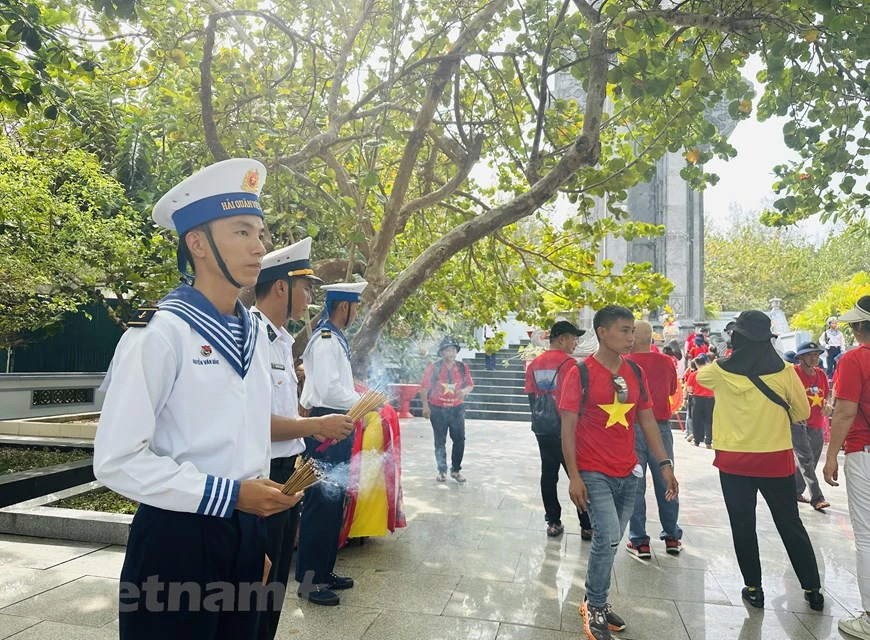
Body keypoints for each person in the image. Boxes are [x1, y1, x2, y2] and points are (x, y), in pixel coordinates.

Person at [94, 159, 302, 639]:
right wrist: (230, 498)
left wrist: (251, 540)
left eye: (261, 233)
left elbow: (246, 440)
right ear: (198, 244)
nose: (260, 248)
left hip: (244, 534)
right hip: (178, 538)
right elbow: (115, 460)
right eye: (242, 232)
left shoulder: (251, 332)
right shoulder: (160, 335)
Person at [250, 239, 355, 637]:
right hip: (264, 470)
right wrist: (314, 426)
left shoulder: (279, 338)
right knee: (258, 589)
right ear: (281, 287)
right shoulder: (255, 336)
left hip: (285, 466)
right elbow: (256, 421)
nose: (312, 297)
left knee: (274, 581)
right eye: (306, 287)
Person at [559, 305, 678, 640]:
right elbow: (567, 428)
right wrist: (573, 476)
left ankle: (594, 598)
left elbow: (647, 420)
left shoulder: (634, 372)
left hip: (629, 471)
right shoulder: (579, 373)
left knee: (611, 541)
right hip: (592, 470)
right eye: (624, 330)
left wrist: (664, 463)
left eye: (632, 331)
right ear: (602, 332)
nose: (631, 337)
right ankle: (595, 606)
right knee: (607, 534)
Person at [696, 310, 823, 612]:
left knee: (743, 524)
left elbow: (698, 377)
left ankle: (754, 588)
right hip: (775, 460)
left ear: (736, 337)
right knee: (790, 523)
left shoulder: (719, 371)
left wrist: (729, 353)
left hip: (733, 462)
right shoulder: (785, 371)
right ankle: (812, 589)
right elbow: (803, 412)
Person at [295, 281, 368, 606]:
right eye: (356, 307)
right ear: (345, 307)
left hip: (337, 423)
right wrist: (363, 399)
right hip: (325, 423)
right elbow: (327, 391)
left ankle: (323, 572)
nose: (356, 313)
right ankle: (310, 582)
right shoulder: (326, 341)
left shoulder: (334, 339)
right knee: (320, 504)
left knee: (333, 501)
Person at [823, 296, 870, 639]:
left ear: (857, 328)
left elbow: (844, 411)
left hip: (864, 451)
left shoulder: (855, 359)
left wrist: (830, 456)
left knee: (867, 537)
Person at [525, 320, 593, 539]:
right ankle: (586, 525)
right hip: (567, 429)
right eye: (574, 338)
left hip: (543, 428)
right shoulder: (571, 364)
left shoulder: (534, 363)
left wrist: (539, 422)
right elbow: (577, 400)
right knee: (577, 475)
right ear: (561, 338)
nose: (576, 342)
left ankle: (553, 522)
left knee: (548, 474)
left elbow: (531, 396)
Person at [625, 321, 682, 558]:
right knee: (666, 481)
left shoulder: (625, 363)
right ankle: (671, 536)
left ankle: (640, 540)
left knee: (635, 485)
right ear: (651, 339)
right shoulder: (666, 362)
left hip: (632, 429)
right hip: (660, 428)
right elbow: (671, 391)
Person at [340, 399, 406, 544]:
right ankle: (361, 529)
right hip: (381, 414)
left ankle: (354, 529)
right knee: (374, 475)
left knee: (364, 474)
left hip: (371, 417)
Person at [420, 337, 475, 483]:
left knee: (459, 440)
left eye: (452, 350)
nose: (450, 353)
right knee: (440, 440)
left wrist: (464, 391)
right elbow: (424, 388)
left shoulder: (463, 367)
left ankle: (456, 470)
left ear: (456, 352)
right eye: (447, 350)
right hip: (437, 409)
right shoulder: (433, 367)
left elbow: (470, 385)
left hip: (457, 409)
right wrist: (425, 407)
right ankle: (442, 471)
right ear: (442, 353)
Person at [791, 341, 832, 512]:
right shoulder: (792, 373)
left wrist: (829, 404)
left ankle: (794, 491)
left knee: (811, 460)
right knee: (806, 459)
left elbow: (827, 394)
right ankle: (817, 497)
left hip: (816, 423)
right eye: (809, 354)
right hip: (797, 423)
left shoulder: (821, 374)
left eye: (816, 354)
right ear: (800, 357)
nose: (814, 358)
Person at [686, 354, 715, 448]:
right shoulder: (711, 374)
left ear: (697, 364)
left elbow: (689, 389)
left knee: (697, 420)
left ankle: (697, 440)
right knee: (709, 420)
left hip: (698, 398)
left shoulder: (693, 374)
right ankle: (708, 441)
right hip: (711, 398)